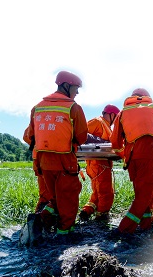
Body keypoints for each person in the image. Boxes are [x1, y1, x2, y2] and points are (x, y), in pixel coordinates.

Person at [25, 70, 88, 240]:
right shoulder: (73, 108)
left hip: (43, 161)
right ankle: (63, 237)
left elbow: (28, 136)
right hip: (65, 160)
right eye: (76, 88)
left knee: (54, 198)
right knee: (68, 198)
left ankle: (39, 222)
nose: (77, 92)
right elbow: (82, 136)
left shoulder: (37, 107)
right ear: (67, 86)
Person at [110, 88, 153, 234]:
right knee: (144, 196)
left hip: (132, 159)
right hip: (149, 157)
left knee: (140, 194)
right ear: (147, 97)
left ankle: (145, 226)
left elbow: (115, 142)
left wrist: (124, 154)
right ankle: (123, 229)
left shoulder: (122, 113)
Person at [79, 104, 120, 224]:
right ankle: (102, 217)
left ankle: (86, 211)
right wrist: (103, 141)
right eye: (116, 117)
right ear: (111, 114)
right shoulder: (97, 121)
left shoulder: (107, 126)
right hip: (98, 164)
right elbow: (82, 135)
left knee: (97, 193)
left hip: (100, 164)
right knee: (106, 192)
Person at [23, 126, 51, 213]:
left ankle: (41, 219)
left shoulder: (39, 116)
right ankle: (42, 218)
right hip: (50, 160)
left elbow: (26, 136)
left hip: (41, 159)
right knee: (48, 194)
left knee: (46, 194)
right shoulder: (63, 115)